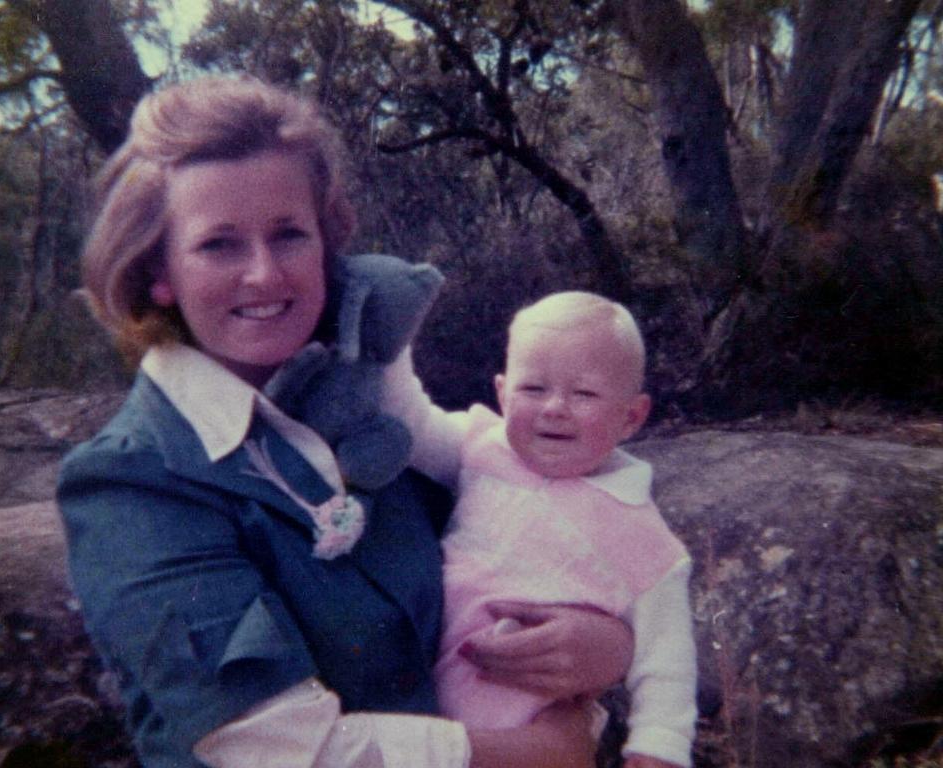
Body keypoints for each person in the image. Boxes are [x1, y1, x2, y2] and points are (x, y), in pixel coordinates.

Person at [56, 75, 634, 768]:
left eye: (289, 234)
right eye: (220, 245)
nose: (265, 274)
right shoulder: (131, 480)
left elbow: (535, 530)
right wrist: (531, 754)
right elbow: (270, 747)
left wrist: (608, 645)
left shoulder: (372, 410)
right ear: (159, 273)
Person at [385, 292, 697, 768]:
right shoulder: (480, 449)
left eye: (584, 394)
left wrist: (657, 749)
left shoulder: (645, 537)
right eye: (533, 389)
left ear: (631, 416)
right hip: (426, 713)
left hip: (532, 734)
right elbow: (408, 421)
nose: (555, 408)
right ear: (501, 394)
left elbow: (667, 662)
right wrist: (390, 334)